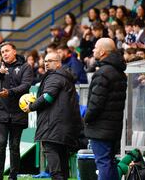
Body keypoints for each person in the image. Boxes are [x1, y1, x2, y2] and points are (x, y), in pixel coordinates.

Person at [23, 52, 82, 180]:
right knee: (62, 160)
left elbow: (47, 97)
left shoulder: (55, 77)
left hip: (53, 125)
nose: (46, 63)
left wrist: (31, 107)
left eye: (50, 61)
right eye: (45, 61)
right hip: (63, 126)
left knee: (55, 165)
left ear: (58, 63)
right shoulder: (65, 77)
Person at [84, 38, 127, 180]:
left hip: (101, 127)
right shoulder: (118, 72)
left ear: (102, 52)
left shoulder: (103, 72)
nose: (93, 50)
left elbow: (95, 104)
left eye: (95, 48)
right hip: (113, 126)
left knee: (103, 162)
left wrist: (86, 119)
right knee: (109, 162)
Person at [0, 42, 33, 180]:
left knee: (14, 146)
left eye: (7, 51)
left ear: (14, 51)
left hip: (18, 113)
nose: (5, 54)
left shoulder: (25, 67)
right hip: (1, 112)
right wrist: (0, 72)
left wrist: (9, 92)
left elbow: (26, 86)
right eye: (2, 52)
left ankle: (13, 176)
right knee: (0, 144)